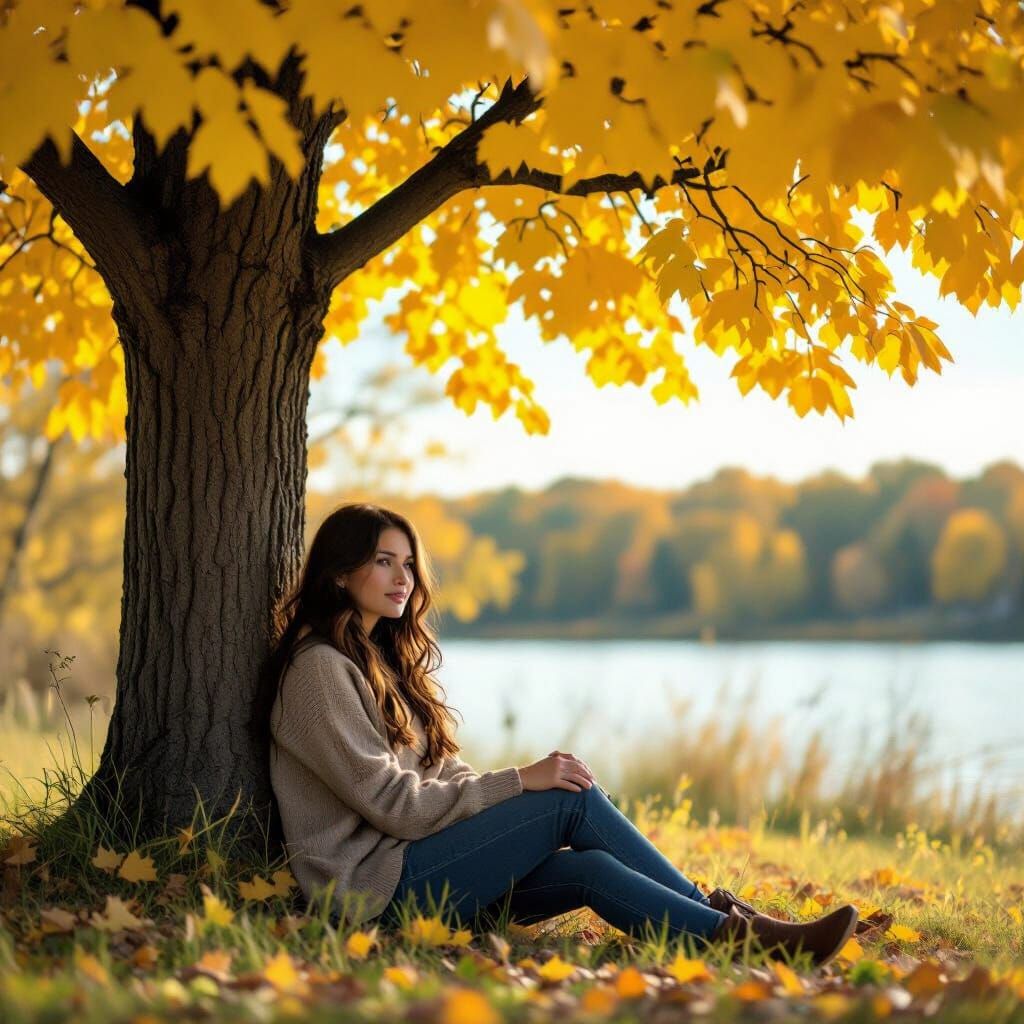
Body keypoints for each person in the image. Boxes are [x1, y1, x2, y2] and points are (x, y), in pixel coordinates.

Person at [258, 503, 858, 965]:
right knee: (558, 798)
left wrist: (507, 790)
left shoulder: (379, 661)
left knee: (591, 868)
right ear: (340, 574)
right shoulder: (318, 671)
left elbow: (439, 776)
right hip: (373, 893)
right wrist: (519, 782)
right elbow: (397, 806)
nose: (403, 577)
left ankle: (724, 929)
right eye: (384, 561)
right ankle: (739, 931)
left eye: (408, 563)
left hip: (424, 869)